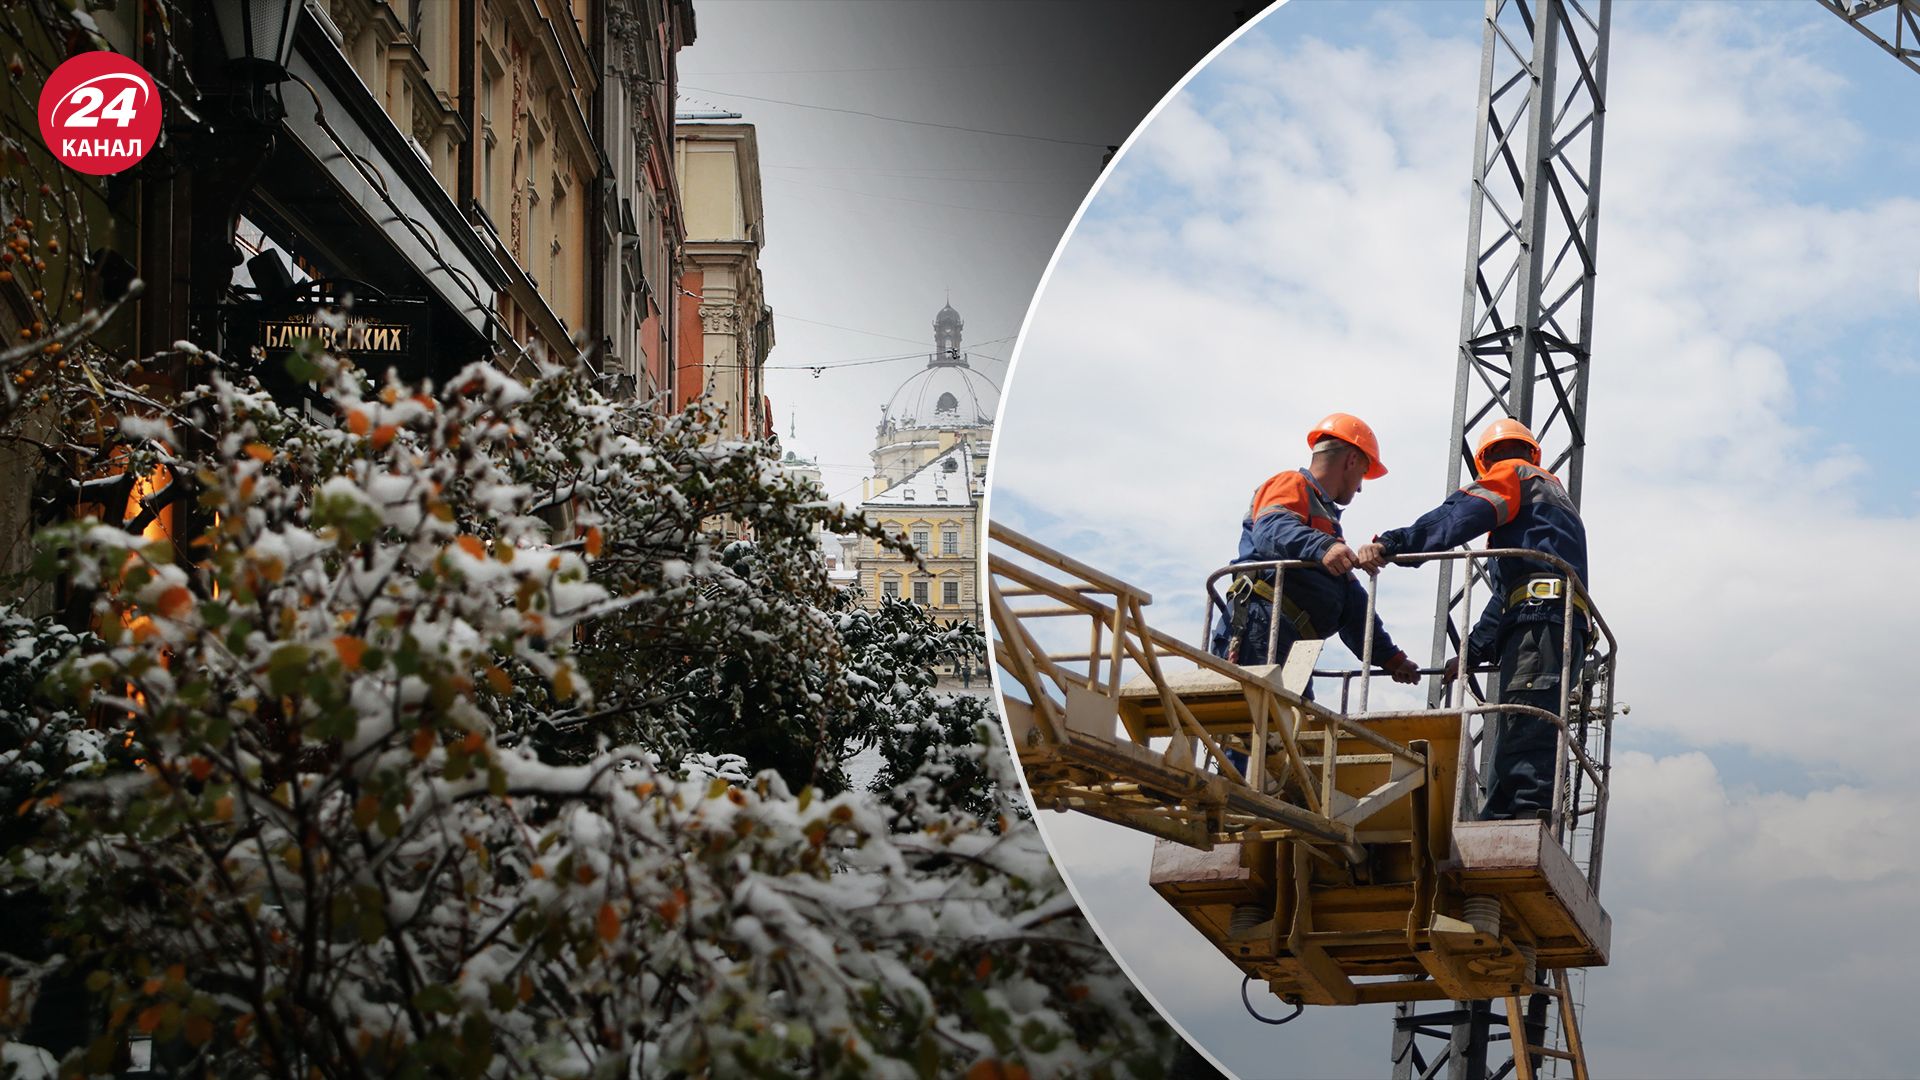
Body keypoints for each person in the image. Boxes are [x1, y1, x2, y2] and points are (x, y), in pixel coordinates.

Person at [1357, 418, 1589, 821]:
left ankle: (1523, 816)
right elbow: (1508, 597)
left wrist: (1394, 544)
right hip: (1552, 621)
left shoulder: (1515, 475)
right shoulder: (1549, 504)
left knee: (1526, 720)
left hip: (1540, 622)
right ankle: (1502, 814)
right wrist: (1471, 653)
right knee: (1524, 718)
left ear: (1487, 460)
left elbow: (1457, 516)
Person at [1209, 412, 1421, 690]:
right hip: (1260, 625)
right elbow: (1271, 528)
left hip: (1291, 641)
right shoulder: (1291, 484)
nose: (1360, 487)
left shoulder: (1326, 525)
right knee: (1263, 713)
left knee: (1292, 715)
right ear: (1351, 460)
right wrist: (1324, 547)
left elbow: (1351, 601)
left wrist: (1390, 658)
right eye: (1362, 474)